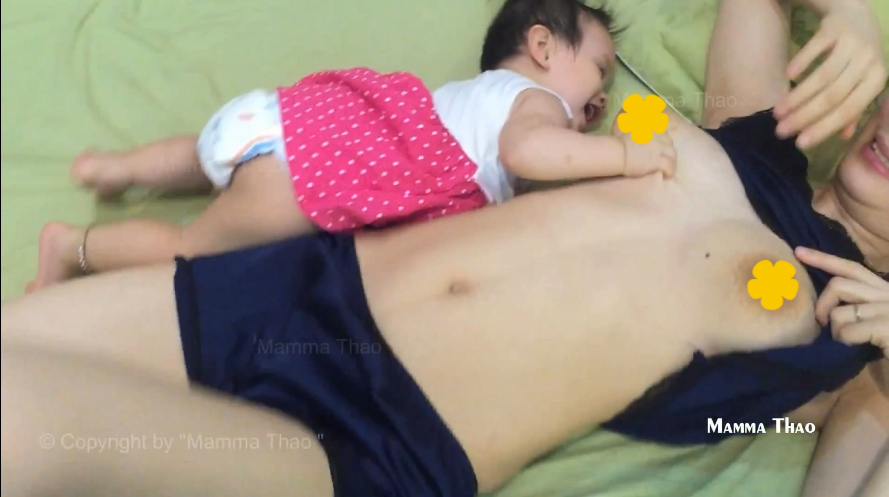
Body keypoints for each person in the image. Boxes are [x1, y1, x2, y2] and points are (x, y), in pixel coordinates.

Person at [1, 0, 886, 495]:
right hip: (296, 284)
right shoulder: (757, 137)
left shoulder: (852, 347)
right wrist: (847, 10)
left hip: (375, 438)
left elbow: (812, 459)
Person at [24, 0, 677, 293]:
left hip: (285, 118)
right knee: (191, 249)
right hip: (305, 178)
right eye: (599, 71)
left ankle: (120, 167)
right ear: (541, 47)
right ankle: (73, 248)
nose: (599, 99)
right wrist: (625, 156)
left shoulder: (473, 97)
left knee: (202, 155)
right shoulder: (532, 105)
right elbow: (528, 154)